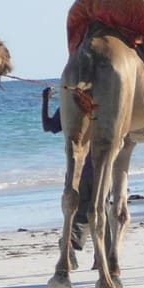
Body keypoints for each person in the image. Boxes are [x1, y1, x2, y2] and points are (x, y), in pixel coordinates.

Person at [42, 87, 93, 266]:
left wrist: (45, 100)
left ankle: (71, 242)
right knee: (99, 208)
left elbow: (48, 126)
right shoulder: (100, 102)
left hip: (73, 167)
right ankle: (74, 243)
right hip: (95, 165)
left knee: (79, 208)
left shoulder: (67, 106)